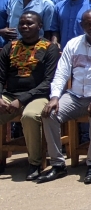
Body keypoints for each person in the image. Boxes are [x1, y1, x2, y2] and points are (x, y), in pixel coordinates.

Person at [38, 9, 91, 184]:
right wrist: (54, 96)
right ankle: (57, 165)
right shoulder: (73, 44)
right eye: (88, 24)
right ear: (81, 25)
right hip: (76, 96)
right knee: (49, 114)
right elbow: (61, 73)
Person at [0, 11, 59, 181]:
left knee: (30, 116)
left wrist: (22, 100)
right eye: (22, 24)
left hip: (37, 96)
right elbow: (0, 77)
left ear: (40, 26)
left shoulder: (49, 48)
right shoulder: (9, 47)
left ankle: (34, 163)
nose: (24, 27)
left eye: (29, 24)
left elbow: (48, 82)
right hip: (10, 95)